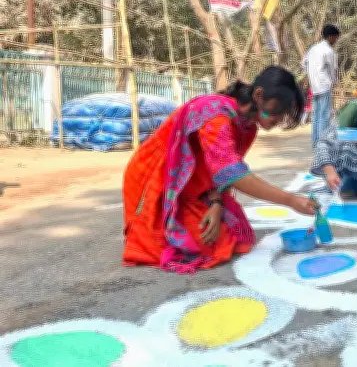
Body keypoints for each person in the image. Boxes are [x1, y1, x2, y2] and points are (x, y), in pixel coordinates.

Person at [122, 66, 318, 274]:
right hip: (156, 181)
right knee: (202, 245)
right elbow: (233, 174)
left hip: (194, 186)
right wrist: (290, 200)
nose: (280, 119)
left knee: (236, 235)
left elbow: (218, 172)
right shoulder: (216, 114)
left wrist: (216, 204)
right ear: (259, 95)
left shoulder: (247, 127)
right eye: (280, 110)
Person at [304, 24, 340, 146]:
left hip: (314, 86)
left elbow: (303, 63)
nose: (336, 41)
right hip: (324, 86)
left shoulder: (313, 48)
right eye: (335, 38)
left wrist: (310, 74)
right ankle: (323, 143)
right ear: (330, 37)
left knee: (316, 115)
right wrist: (334, 82)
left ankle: (316, 142)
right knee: (324, 115)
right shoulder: (329, 51)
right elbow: (332, 70)